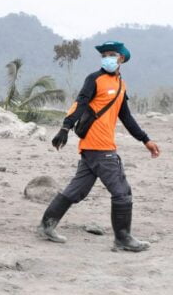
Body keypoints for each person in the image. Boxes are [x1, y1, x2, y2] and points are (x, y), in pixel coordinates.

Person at [38, 41, 161, 251]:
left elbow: (126, 117)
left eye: (112, 54)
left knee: (77, 189)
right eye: (104, 55)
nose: (107, 58)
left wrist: (145, 139)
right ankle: (122, 239)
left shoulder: (122, 85)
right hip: (99, 146)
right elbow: (80, 103)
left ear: (121, 58)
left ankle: (46, 225)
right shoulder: (94, 79)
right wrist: (65, 129)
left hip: (95, 147)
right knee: (122, 191)